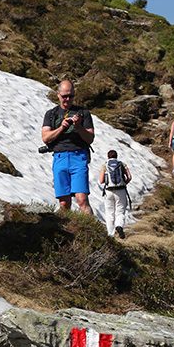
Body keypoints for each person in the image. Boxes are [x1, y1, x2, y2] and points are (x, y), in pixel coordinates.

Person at [41, 80, 95, 214]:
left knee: (82, 199)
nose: (67, 99)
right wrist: (62, 128)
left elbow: (90, 138)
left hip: (79, 157)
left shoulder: (83, 113)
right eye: (64, 96)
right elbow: (45, 138)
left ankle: (91, 232)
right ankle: (68, 232)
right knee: (64, 202)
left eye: (71, 96)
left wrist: (78, 127)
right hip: (60, 157)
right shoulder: (51, 114)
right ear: (58, 95)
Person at [98, 150, 132, 239]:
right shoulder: (122, 164)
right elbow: (129, 177)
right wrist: (124, 183)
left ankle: (110, 234)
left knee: (110, 213)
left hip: (109, 191)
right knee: (120, 212)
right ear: (116, 156)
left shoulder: (104, 165)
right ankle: (119, 226)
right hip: (121, 191)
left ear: (108, 156)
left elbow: (101, 181)